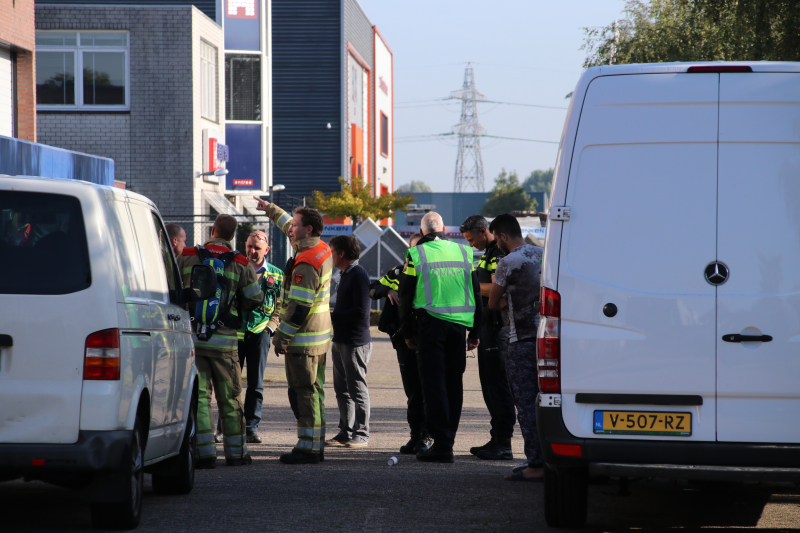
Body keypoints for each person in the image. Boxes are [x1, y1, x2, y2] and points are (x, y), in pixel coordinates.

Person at [178, 214, 264, 468]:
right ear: (232, 235)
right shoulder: (239, 261)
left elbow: (174, 288)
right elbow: (254, 299)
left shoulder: (188, 254)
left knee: (201, 398)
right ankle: (236, 454)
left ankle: (204, 454)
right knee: (231, 397)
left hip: (194, 339)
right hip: (225, 343)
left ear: (212, 229)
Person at [252, 196, 332, 465]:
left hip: (303, 339)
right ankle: (316, 443)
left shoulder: (306, 260)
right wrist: (271, 210)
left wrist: (281, 337)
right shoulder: (321, 248)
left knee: (304, 391)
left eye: (296, 225)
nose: (290, 228)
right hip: (319, 337)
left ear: (307, 229)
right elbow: (288, 224)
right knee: (315, 390)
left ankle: (308, 448)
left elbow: (299, 307)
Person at [399, 212, 482, 463]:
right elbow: (476, 293)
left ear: (423, 232)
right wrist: (476, 331)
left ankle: (442, 445)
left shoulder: (416, 254)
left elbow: (405, 295)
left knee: (433, 386)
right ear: (444, 228)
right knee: (453, 384)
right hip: (458, 329)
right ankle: (449, 439)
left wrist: (406, 331)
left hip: (430, 327)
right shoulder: (464, 252)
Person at [487, 213, 545, 482]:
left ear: (502, 236)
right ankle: (551, 456)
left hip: (520, 340)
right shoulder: (544, 255)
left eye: (496, 238)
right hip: (549, 339)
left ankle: (536, 464)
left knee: (525, 403)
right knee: (549, 402)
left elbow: (493, 303)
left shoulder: (507, 263)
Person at [460, 215, 517, 461]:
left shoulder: (498, 255)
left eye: (473, 239)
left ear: (485, 231)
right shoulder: (489, 252)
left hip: (498, 328)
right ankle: (496, 439)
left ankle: (504, 443)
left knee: (498, 386)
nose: (471, 245)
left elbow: (496, 289)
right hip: (488, 327)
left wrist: (468, 282)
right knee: (489, 386)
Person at [369, 233, 430, 455]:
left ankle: (426, 436)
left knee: (427, 390)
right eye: (412, 250)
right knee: (412, 391)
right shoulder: (398, 271)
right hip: (403, 341)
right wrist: (389, 290)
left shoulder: (428, 273)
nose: (415, 255)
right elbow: (372, 289)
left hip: (426, 337)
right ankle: (415, 436)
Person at [231, 231, 284, 444]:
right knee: (231, 384)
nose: (252, 252)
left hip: (260, 333)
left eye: (257, 248)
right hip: (235, 334)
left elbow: (280, 306)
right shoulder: (235, 268)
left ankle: (251, 428)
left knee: (256, 384)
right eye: (249, 247)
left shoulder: (277, 274)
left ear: (267, 250)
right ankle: (226, 427)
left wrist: (270, 329)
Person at [326, 235, 372, 448]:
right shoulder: (345, 274)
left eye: (332, 251)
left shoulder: (358, 274)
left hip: (355, 343)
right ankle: (345, 431)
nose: (330, 255)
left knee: (357, 389)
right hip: (341, 340)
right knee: (341, 389)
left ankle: (361, 433)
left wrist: (331, 315)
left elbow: (362, 312)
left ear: (341, 253)